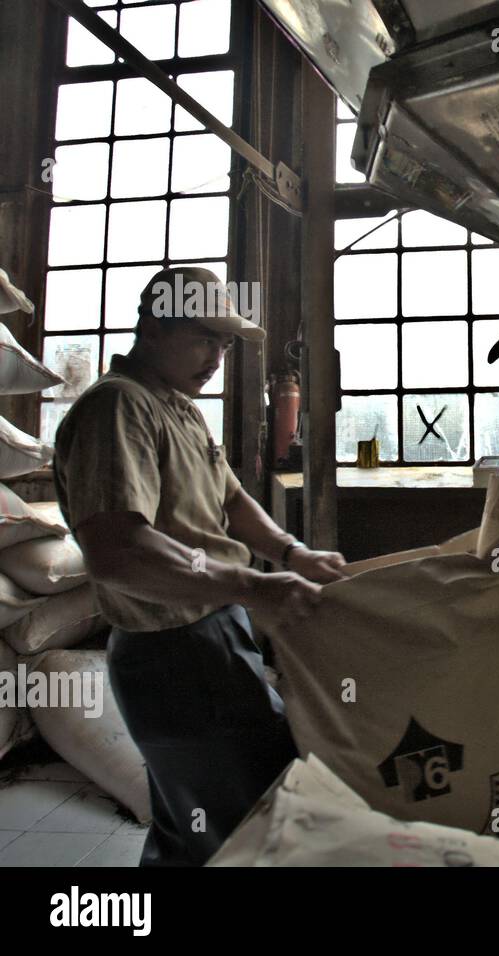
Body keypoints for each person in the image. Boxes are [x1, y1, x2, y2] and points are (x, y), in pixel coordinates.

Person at [53, 266, 348, 866]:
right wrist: (248, 583)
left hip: (213, 631)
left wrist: (290, 553)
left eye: (224, 342)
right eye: (203, 336)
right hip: (169, 651)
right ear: (153, 328)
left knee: (194, 822)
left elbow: (232, 499)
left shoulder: (178, 406)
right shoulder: (117, 408)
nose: (217, 356)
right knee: (246, 818)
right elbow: (117, 550)